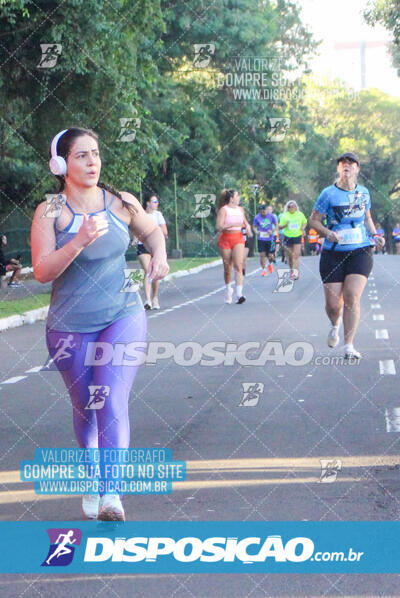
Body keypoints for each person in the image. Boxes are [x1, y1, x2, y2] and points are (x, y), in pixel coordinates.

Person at [31, 128, 169, 521]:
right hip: (69, 325)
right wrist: (78, 242)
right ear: (61, 165)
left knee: (110, 397)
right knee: (85, 407)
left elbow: (152, 232)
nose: (93, 162)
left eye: (96, 154)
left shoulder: (121, 201)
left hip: (122, 313)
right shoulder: (50, 211)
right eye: (81, 156)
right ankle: (93, 477)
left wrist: (158, 255)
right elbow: (42, 271)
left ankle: (112, 495)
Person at [308, 152, 384, 360]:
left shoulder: (364, 193)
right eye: (342, 164)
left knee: (352, 296)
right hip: (333, 253)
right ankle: (335, 324)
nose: (346, 166)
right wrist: (327, 233)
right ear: (339, 169)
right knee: (333, 306)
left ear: (357, 169)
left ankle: (349, 346)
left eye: (351, 163)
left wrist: (375, 235)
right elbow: (313, 221)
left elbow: (367, 218)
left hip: (360, 250)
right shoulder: (328, 194)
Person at [216, 189, 252, 304]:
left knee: (238, 265)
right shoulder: (224, 210)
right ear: (231, 199)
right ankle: (228, 289)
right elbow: (219, 227)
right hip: (226, 239)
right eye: (237, 196)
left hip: (238, 238)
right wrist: (231, 225)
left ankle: (239, 294)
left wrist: (248, 227)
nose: (239, 197)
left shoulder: (240, 209)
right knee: (228, 268)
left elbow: (245, 222)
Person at [135, 194, 168, 310]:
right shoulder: (141, 215)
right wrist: (137, 237)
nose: (156, 204)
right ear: (147, 203)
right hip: (142, 246)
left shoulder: (158, 215)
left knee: (154, 270)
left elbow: (164, 231)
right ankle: (147, 300)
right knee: (148, 270)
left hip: (154, 246)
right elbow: (135, 229)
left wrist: (153, 231)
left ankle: (155, 297)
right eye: (154, 202)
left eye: (157, 201)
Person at [278, 201, 307, 279]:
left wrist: (303, 228)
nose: (292, 208)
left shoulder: (300, 214)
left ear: (296, 207)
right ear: (287, 208)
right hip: (288, 237)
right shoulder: (284, 216)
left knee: (296, 255)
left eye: (293, 206)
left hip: (297, 236)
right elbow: (279, 227)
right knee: (290, 257)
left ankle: (295, 273)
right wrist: (285, 225)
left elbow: (305, 222)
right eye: (290, 207)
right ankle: (291, 270)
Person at [253, 204, 277, 276]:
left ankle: (270, 264)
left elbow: (276, 225)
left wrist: (272, 230)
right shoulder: (257, 217)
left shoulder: (271, 216)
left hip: (270, 238)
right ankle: (264, 270)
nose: (264, 213)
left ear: (267, 210)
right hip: (261, 239)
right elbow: (254, 227)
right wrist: (256, 231)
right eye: (262, 212)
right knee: (262, 255)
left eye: (265, 211)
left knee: (271, 256)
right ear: (260, 211)